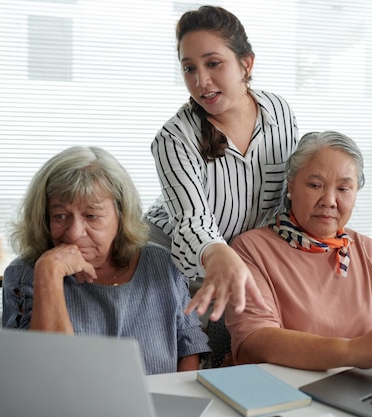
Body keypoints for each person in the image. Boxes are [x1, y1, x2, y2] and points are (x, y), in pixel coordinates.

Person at [225, 131, 372, 371]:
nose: (329, 200)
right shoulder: (250, 249)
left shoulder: (369, 251)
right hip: (289, 392)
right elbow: (254, 342)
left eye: (343, 189)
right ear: (291, 186)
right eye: (315, 185)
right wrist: (351, 350)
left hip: (363, 389)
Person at [144, 5, 299, 321]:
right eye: (189, 69)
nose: (201, 81)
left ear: (246, 64)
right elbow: (192, 222)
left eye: (213, 63)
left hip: (243, 262)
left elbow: (287, 199)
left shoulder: (280, 112)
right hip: (171, 262)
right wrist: (217, 253)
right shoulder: (174, 137)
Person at [2, 146, 210, 375]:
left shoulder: (162, 263)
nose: (73, 233)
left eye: (91, 216)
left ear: (121, 215)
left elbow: (189, 347)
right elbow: (42, 376)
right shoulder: (25, 274)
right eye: (60, 216)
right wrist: (48, 274)